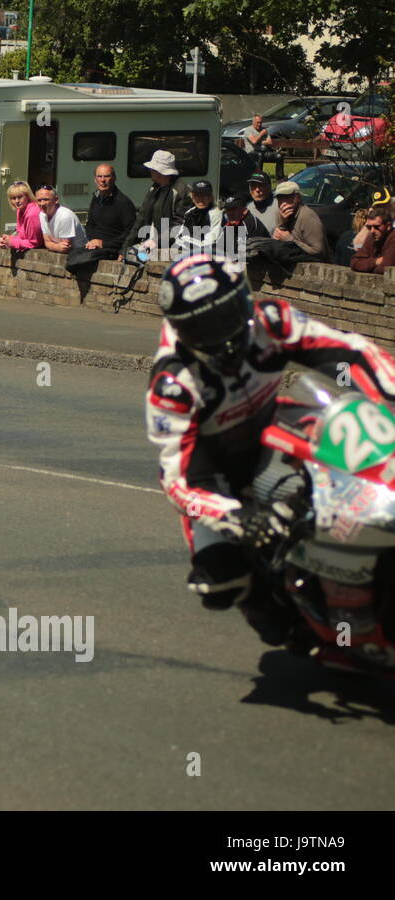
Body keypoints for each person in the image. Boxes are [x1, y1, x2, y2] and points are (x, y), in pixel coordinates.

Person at [148, 252, 395, 669]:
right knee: (221, 581)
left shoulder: (272, 322)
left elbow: (350, 352)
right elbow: (178, 480)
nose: (221, 337)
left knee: (353, 484)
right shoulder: (173, 384)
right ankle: (301, 625)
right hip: (215, 473)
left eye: (226, 318)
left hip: (274, 431)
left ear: (244, 303)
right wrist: (241, 518)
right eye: (202, 328)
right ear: (180, 328)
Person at [130, 150, 191, 258]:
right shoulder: (154, 188)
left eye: (152, 169)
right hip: (150, 244)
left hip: (169, 248)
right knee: (130, 256)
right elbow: (142, 218)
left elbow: (179, 225)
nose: (150, 171)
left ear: (160, 172)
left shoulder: (180, 191)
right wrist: (126, 246)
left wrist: (156, 241)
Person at [260, 180, 327, 266]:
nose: (283, 202)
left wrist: (290, 240)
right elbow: (278, 241)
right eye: (280, 198)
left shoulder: (308, 217)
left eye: (287, 197)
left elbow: (319, 252)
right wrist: (283, 223)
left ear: (298, 198)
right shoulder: (280, 213)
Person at [81, 163, 137, 259]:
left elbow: (131, 232)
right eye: (99, 176)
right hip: (95, 247)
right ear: (95, 179)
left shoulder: (123, 202)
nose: (103, 180)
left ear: (114, 178)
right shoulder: (96, 198)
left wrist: (103, 244)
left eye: (107, 176)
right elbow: (90, 225)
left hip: (112, 249)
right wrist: (94, 241)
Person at [172, 180, 222, 258]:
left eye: (205, 195)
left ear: (211, 197)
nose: (201, 199)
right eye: (197, 195)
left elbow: (210, 243)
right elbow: (179, 237)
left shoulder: (216, 214)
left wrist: (188, 242)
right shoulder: (189, 213)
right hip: (188, 254)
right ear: (192, 196)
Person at [36, 185, 87, 254]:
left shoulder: (65, 216)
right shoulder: (42, 214)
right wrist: (56, 246)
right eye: (39, 200)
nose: (42, 203)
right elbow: (47, 242)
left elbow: (64, 248)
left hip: (80, 255)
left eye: (46, 199)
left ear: (56, 200)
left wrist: (52, 245)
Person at [0, 181, 43, 253]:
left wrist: (12, 242)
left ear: (28, 196)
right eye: (13, 198)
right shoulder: (20, 210)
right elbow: (22, 236)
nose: (17, 201)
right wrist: (7, 240)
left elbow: (34, 243)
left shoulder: (32, 214)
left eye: (20, 197)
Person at [350, 207, 395, 274]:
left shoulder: (393, 238)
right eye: (369, 227)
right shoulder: (372, 237)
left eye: (376, 227)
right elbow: (354, 262)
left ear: (388, 226)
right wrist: (376, 261)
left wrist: (367, 266)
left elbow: (385, 269)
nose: (372, 231)